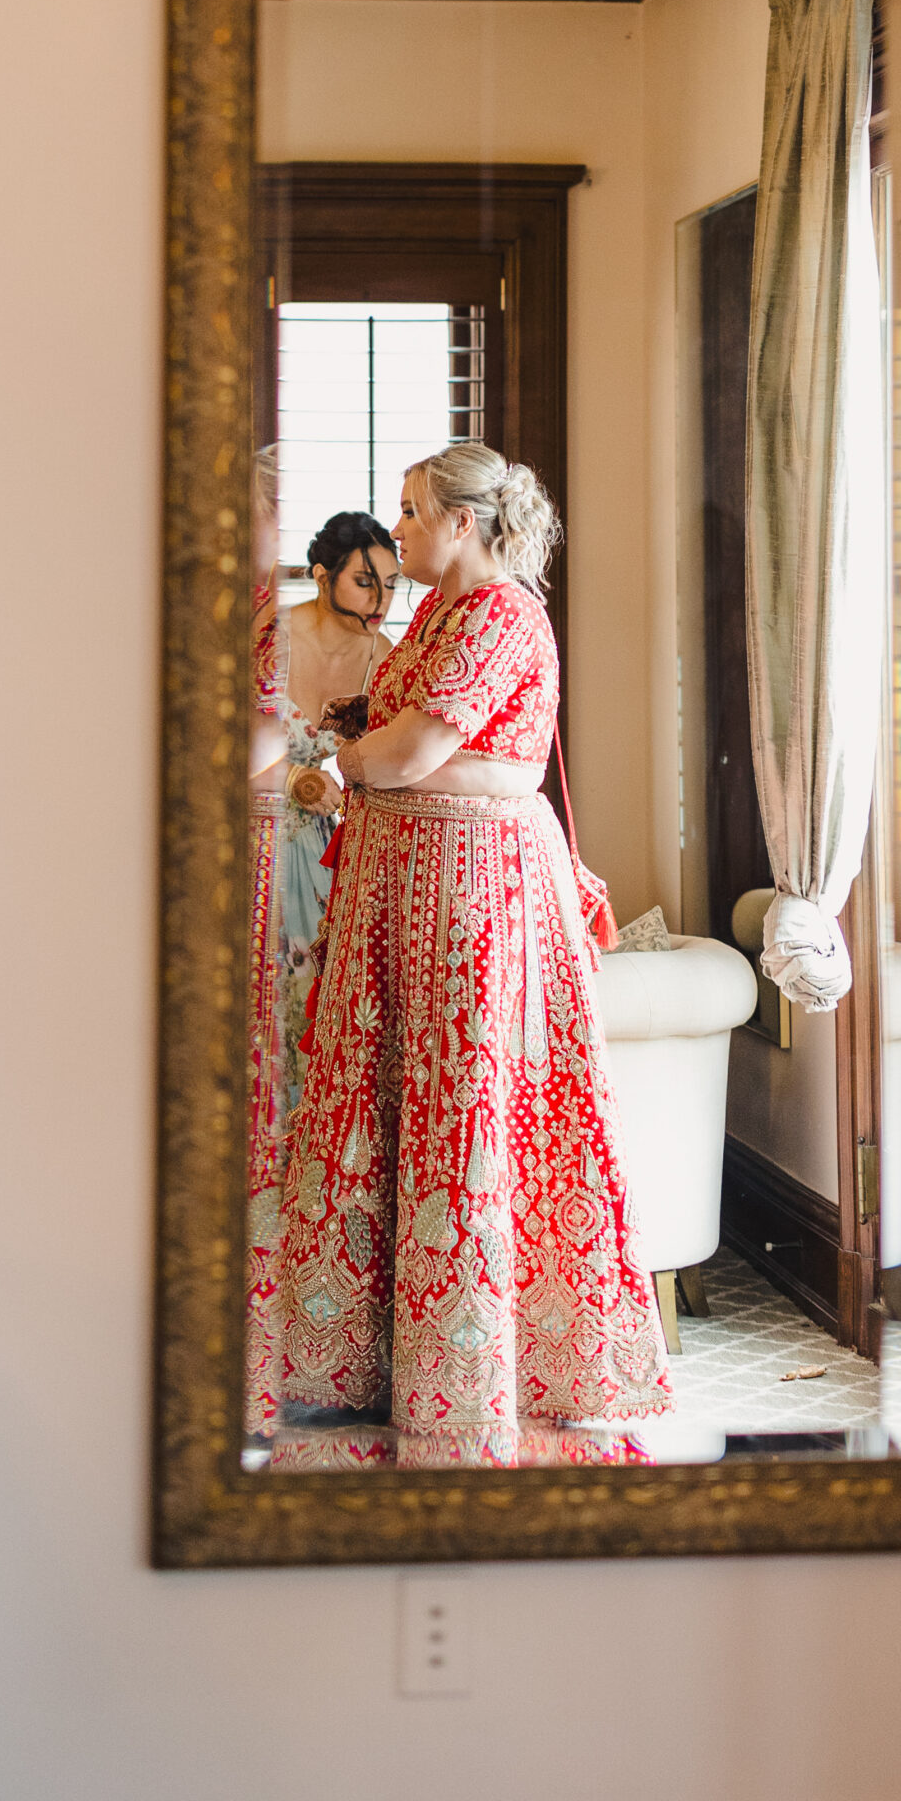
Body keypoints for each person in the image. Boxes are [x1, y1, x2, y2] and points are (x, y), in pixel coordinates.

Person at [273, 442, 672, 1465]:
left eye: (410, 512)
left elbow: (409, 755)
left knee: (464, 1107)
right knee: (398, 1100)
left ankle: (469, 1370)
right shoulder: (438, 617)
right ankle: (372, 1359)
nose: (395, 529)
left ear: (462, 521)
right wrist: (373, 741)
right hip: (410, 884)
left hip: (471, 893)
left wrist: (352, 757)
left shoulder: (500, 615)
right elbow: (404, 739)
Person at [246, 477, 400, 1438]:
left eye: (389, 580)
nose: (380, 596)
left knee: (323, 1000)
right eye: (363, 578)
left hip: (337, 842)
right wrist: (297, 776)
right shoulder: (281, 633)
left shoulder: (384, 655)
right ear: (321, 573)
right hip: (269, 830)